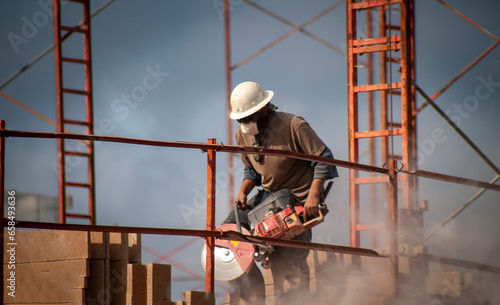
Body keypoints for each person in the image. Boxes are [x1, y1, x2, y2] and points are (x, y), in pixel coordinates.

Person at [222, 81, 339, 304]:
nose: (243, 124)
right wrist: (243, 192)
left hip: (297, 198)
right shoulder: (241, 134)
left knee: (287, 263)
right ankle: (255, 297)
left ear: (263, 110)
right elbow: (251, 170)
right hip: (269, 195)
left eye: (247, 118)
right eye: (240, 119)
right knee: (226, 238)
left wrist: (313, 197)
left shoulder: (293, 125)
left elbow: (324, 158)